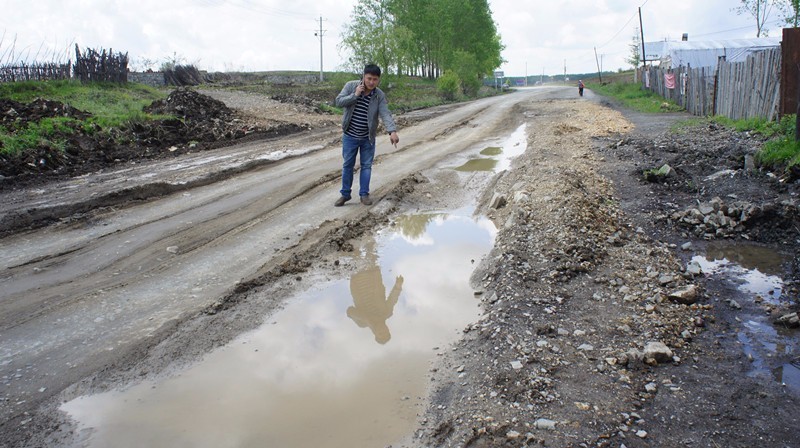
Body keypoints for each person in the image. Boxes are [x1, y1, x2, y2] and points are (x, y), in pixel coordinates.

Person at [333, 64, 400, 206]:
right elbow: (338, 102)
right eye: (369, 78)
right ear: (363, 76)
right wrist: (355, 95)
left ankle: (364, 194)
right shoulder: (351, 86)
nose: (371, 82)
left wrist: (392, 131)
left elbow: (385, 113)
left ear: (378, 80)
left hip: (367, 138)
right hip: (350, 135)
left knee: (366, 166)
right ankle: (345, 194)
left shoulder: (379, 95)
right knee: (347, 165)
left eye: (375, 79)